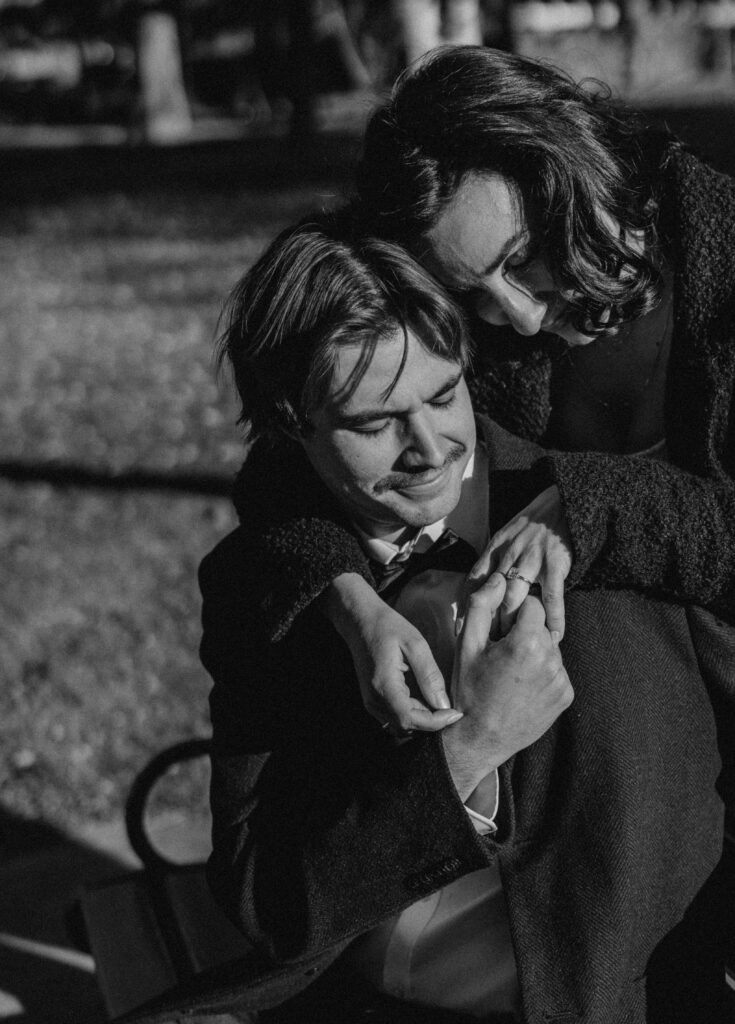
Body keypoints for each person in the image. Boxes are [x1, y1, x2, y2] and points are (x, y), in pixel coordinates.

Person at [197, 216, 732, 1024]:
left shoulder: (613, 533)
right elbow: (272, 907)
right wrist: (468, 748)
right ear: (289, 425)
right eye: (374, 424)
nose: (429, 449)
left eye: (443, 396)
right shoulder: (279, 586)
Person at [230, 44, 735, 736]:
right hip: (606, 759)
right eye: (475, 292)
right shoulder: (480, 335)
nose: (522, 318)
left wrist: (594, 511)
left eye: (522, 258)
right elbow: (292, 461)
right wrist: (345, 596)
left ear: (575, 166)